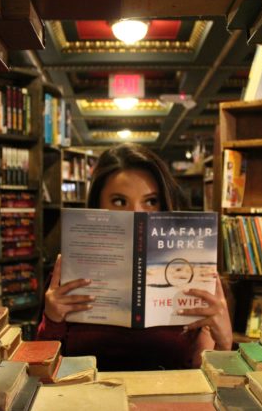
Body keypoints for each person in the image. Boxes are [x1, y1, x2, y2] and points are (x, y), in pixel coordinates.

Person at [36, 142, 233, 371]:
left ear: (165, 204)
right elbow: (42, 368)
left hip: (167, 401)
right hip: (88, 400)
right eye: (119, 201)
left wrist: (224, 341)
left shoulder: (194, 272)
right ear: (98, 207)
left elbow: (207, 373)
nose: (136, 215)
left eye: (150, 201)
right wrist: (51, 320)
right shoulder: (67, 277)